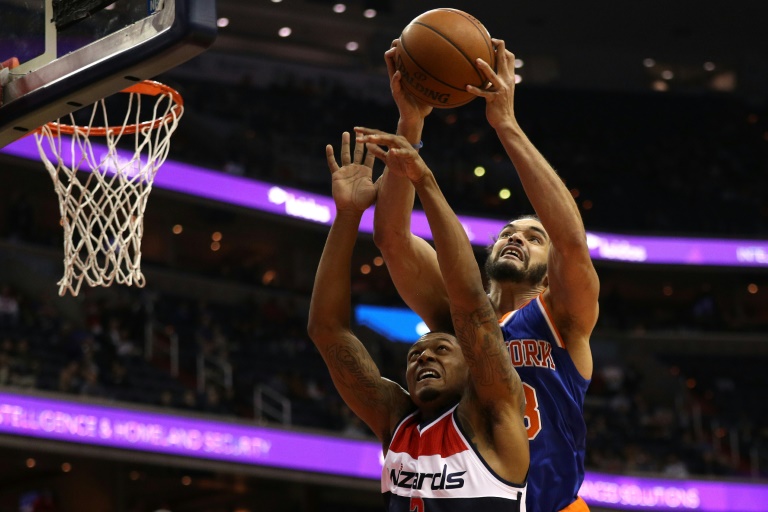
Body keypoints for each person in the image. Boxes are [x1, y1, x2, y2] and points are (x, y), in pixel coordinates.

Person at [373, 38, 600, 512]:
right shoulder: (456, 316)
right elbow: (392, 239)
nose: (517, 238)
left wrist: (506, 124)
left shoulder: (562, 317)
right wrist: (410, 125)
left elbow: (572, 243)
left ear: (549, 270)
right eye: (508, 233)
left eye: (534, 238)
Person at [308, 131, 529, 511]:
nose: (424, 356)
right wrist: (347, 216)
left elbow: (471, 304)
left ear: (472, 365)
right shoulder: (397, 420)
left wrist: (424, 180)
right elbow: (327, 331)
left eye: (441, 349)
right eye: (415, 355)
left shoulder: (496, 413)